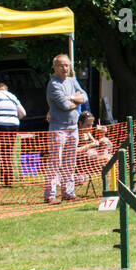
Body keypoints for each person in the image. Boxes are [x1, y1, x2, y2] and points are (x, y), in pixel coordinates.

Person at [44, 53, 87, 202]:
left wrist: (72, 98)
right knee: (55, 161)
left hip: (73, 128)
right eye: (61, 65)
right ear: (54, 67)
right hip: (58, 128)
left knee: (70, 161)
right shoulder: (53, 84)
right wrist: (75, 100)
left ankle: (68, 193)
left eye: (67, 65)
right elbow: (64, 106)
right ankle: (50, 195)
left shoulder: (73, 81)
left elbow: (85, 97)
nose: (65, 68)